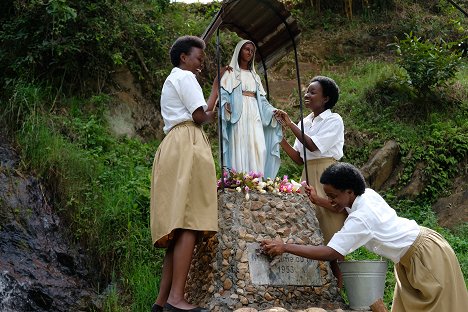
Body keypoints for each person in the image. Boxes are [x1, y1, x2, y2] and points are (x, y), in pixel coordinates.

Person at [261, 162, 468, 312]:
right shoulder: (365, 195)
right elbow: (342, 208)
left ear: (349, 191)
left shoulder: (361, 218)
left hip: (426, 257)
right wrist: (318, 200)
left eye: (332, 195)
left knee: (441, 307)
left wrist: (285, 246)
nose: (330, 200)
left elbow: (331, 252)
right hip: (413, 253)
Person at [150, 35, 224, 312]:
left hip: (172, 145)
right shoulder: (185, 77)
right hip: (187, 144)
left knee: (178, 225)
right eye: (199, 59)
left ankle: (162, 302)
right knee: (190, 221)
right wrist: (215, 91)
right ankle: (176, 299)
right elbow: (200, 115)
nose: (200, 65)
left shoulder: (173, 79)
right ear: (184, 57)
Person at [274, 76, 347, 286]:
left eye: (313, 92)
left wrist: (289, 123)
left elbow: (314, 147)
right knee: (311, 229)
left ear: (325, 98)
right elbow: (299, 158)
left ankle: (341, 286)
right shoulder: (305, 122)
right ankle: (324, 285)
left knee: (333, 232)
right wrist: (280, 139)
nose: (307, 95)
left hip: (328, 175)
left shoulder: (334, 120)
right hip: (307, 175)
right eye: (307, 91)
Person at [220, 39, 282, 179]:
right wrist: (225, 104)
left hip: (255, 113)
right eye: (246, 49)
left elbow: (263, 100)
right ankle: (240, 179)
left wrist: (272, 111)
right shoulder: (230, 73)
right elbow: (223, 94)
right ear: (239, 50)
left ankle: (257, 179)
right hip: (238, 114)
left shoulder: (255, 76)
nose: (250, 52)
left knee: (259, 146)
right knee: (240, 144)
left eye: (252, 51)